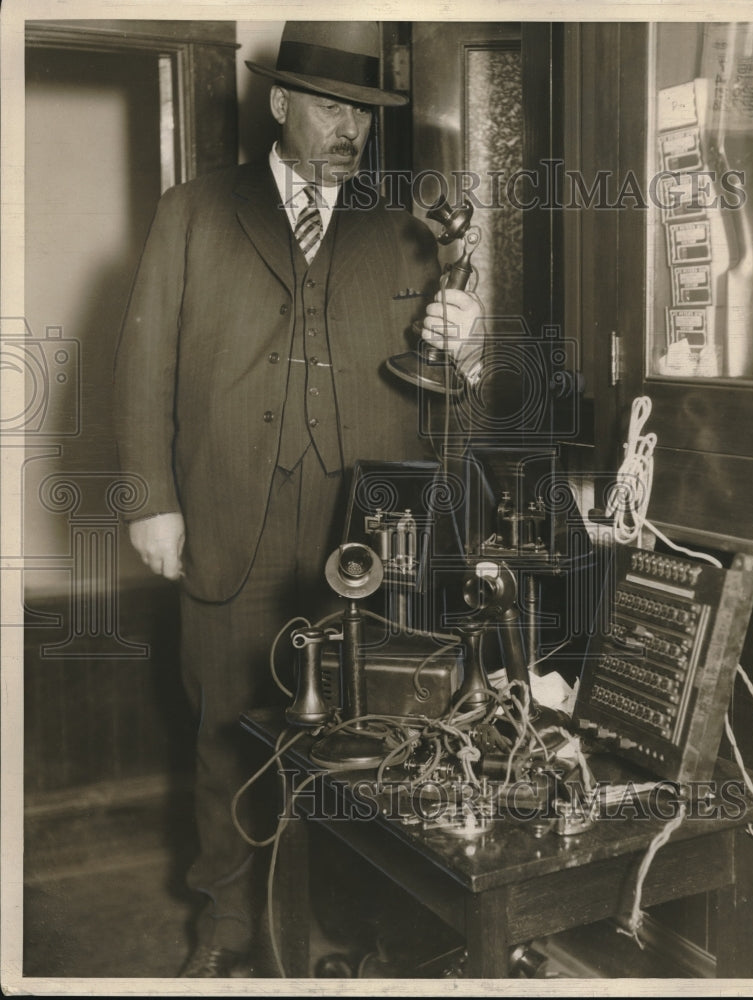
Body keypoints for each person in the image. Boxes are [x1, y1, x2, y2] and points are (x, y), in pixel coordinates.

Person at [113, 20, 482, 978]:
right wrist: (153, 499)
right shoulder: (194, 210)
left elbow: (447, 390)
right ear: (279, 102)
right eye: (327, 104)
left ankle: (362, 927)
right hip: (230, 513)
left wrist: (469, 346)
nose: (347, 127)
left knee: (369, 737)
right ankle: (227, 932)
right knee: (227, 733)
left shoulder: (409, 228)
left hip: (362, 533)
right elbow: (143, 363)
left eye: (362, 110)